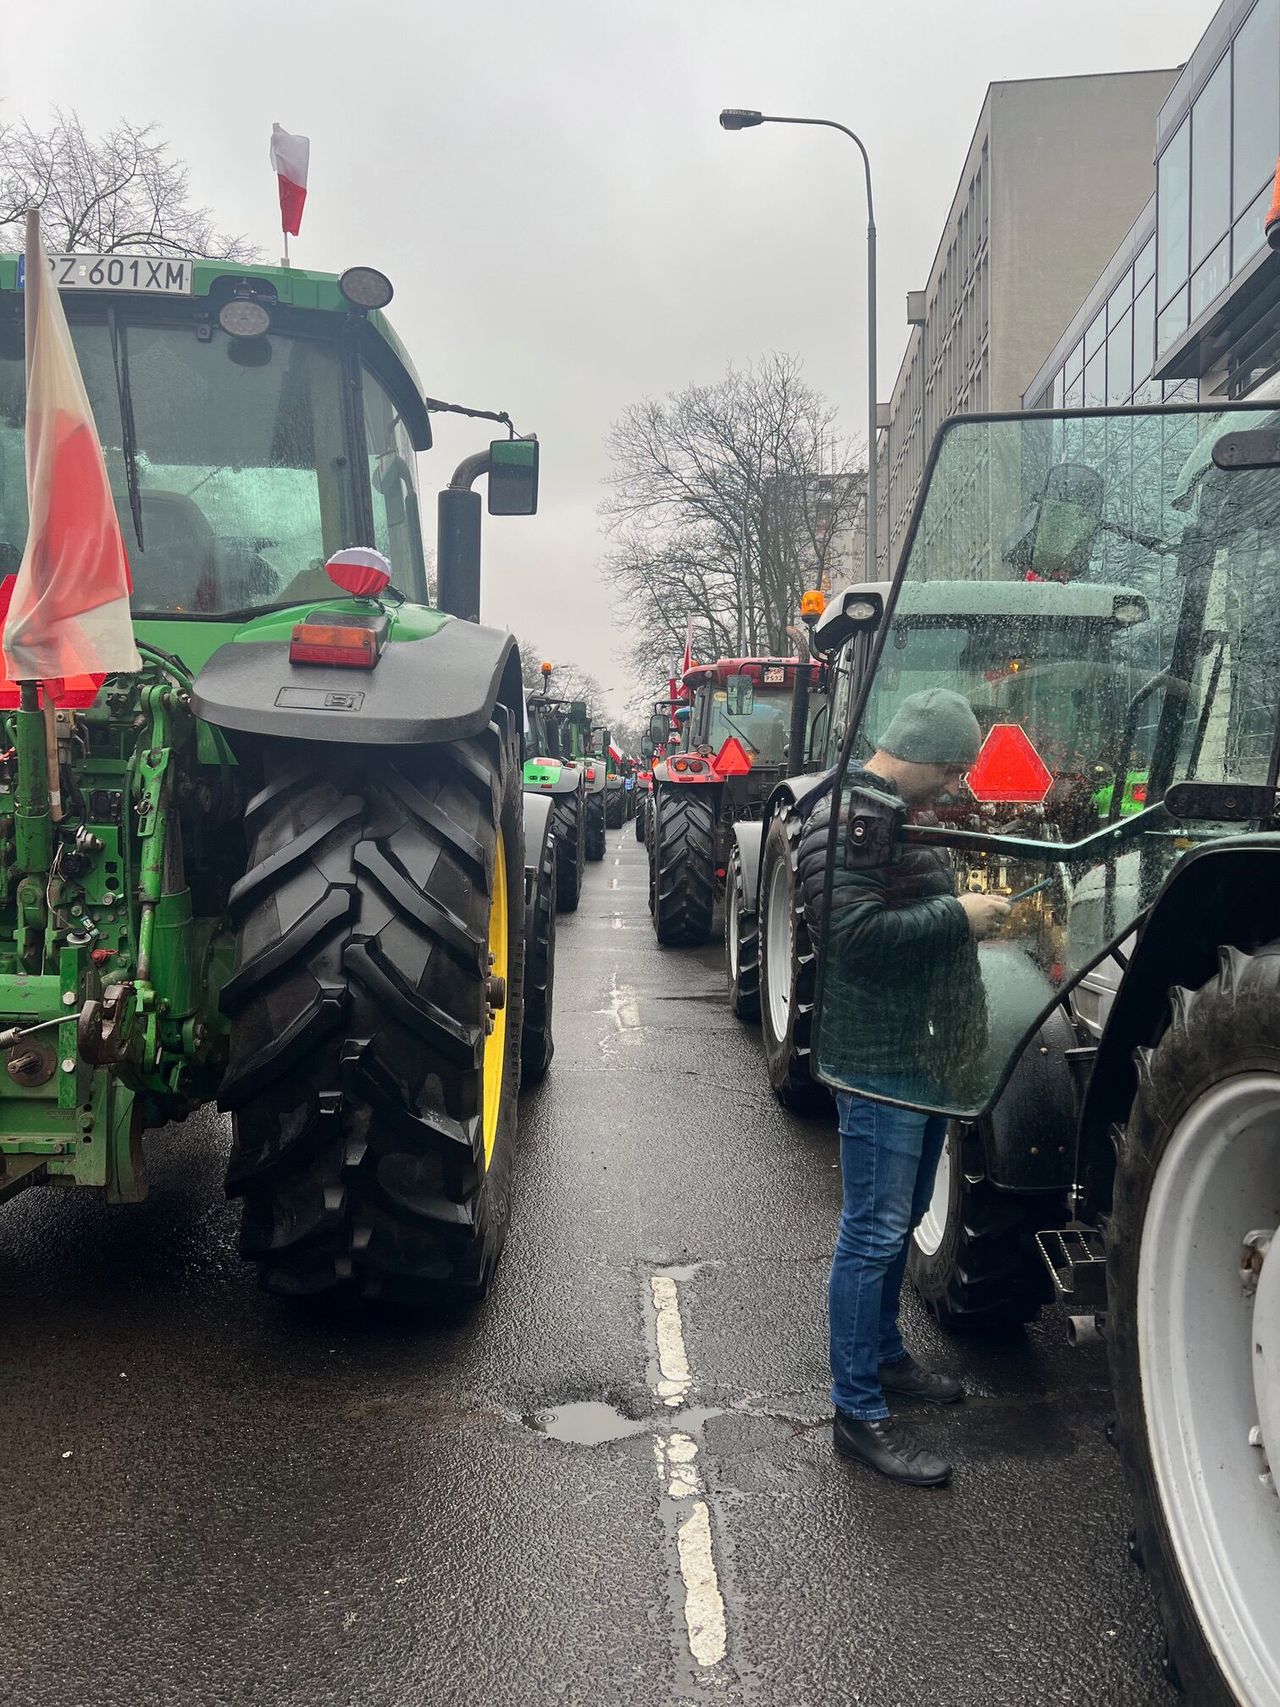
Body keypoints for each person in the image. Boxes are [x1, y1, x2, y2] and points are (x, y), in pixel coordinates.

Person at [799, 688, 1010, 1488]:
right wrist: (962, 915)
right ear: (922, 751)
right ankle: (857, 1411)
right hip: (877, 1061)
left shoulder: (886, 809)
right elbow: (854, 940)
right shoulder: (852, 815)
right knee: (875, 1229)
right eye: (952, 768)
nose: (955, 786)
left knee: (899, 1218)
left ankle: (885, 1358)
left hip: (914, 1060)